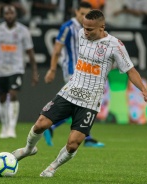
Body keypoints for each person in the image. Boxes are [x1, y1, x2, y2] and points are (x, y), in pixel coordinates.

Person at [12, 9, 147, 177]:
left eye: (90, 29)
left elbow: (130, 70)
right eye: (84, 28)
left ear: (102, 27)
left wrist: (143, 89)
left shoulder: (115, 45)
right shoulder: (80, 34)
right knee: (41, 123)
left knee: (73, 144)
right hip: (69, 92)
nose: (85, 32)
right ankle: (28, 149)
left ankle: (52, 167)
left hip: (90, 102)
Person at [44, 1, 104, 148]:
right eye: (82, 14)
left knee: (80, 105)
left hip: (88, 71)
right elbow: (57, 49)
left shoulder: (91, 28)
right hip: (72, 71)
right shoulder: (68, 27)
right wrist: (52, 69)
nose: (84, 16)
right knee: (83, 103)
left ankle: (52, 127)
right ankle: (86, 137)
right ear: (76, 12)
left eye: (87, 14)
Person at [0, 5, 38, 139]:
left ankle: (12, 128)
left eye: (11, 13)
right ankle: (4, 125)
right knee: (2, 98)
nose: (9, 16)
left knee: (13, 94)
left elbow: (30, 52)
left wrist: (34, 71)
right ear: (3, 16)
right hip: (0, 69)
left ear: (16, 15)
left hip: (16, 68)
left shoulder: (23, 31)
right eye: (6, 14)